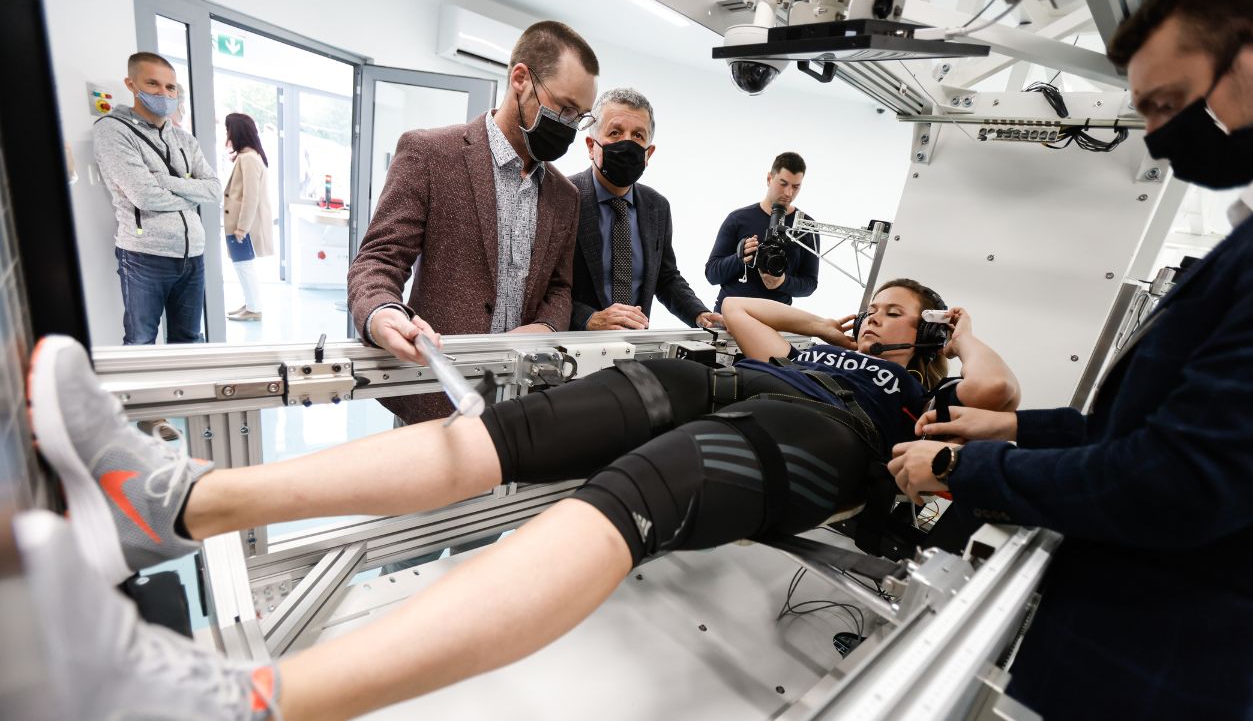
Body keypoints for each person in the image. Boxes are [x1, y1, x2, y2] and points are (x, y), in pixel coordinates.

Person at [23, 277, 1015, 720]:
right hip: (750, 383)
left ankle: (244, 703)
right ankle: (173, 501)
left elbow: (1000, 396)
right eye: (876, 300)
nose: (879, 314)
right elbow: (735, 310)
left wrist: (948, 331)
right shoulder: (818, 348)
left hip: (827, 444)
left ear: (921, 333)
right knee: (520, 432)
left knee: (645, 489)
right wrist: (835, 322)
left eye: (897, 310)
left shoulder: (920, 393)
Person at [887, 0, 1253, 717]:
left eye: (1164, 103)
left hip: (1154, 665)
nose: (1153, 134)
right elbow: (1149, 433)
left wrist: (965, 462)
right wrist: (1013, 430)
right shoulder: (1240, 246)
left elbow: (1176, 479)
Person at [347, 21, 598, 424]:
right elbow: (379, 260)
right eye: (564, 108)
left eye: (580, 117)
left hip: (521, 399)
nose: (568, 126)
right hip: (434, 391)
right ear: (520, 79)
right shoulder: (430, 154)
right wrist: (382, 312)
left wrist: (548, 326)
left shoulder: (565, 195)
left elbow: (560, 286)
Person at [92, 52, 222, 345]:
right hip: (144, 255)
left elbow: (213, 189)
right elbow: (145, 196)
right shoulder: (113, 130)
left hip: (193, 255)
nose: (163, 93)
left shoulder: (185, 140)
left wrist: (164, 181)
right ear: (131, 83)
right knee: (141, 340)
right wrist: (189, 191)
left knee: (188, 339)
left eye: (170, 87)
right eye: (153, 84)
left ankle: (188, 392)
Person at [569, 88, 720, 331]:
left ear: (649, 153)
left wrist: (700, 314)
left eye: (638, 135)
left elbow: (666, 278)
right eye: (615, 132)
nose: (627, 142)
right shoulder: (564, 198)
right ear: (590, 146)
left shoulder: (657, 206)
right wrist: (590, 319)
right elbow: (544, 289)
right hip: (572, 348)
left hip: (635, 347)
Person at [704, 152, 819, 313]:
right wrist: (740, 257)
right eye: (783, 183)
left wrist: (782, 282)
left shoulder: (806, 227)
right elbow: (712, 274)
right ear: (769, 179)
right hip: (730, 318)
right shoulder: (738, 219)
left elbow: (810, 284)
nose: (788, 193)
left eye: (795, 186)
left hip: (775, 320)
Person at [222, 113, 275, 322]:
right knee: (242, 266)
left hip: (242, 226)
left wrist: (242, 228)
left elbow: (250, 196)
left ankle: (254, 309)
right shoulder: (248, 156)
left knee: (244, 267)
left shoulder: (249, 158)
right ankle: (250, 304)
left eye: (229, 130)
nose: (227, 134)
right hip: (239, 224)